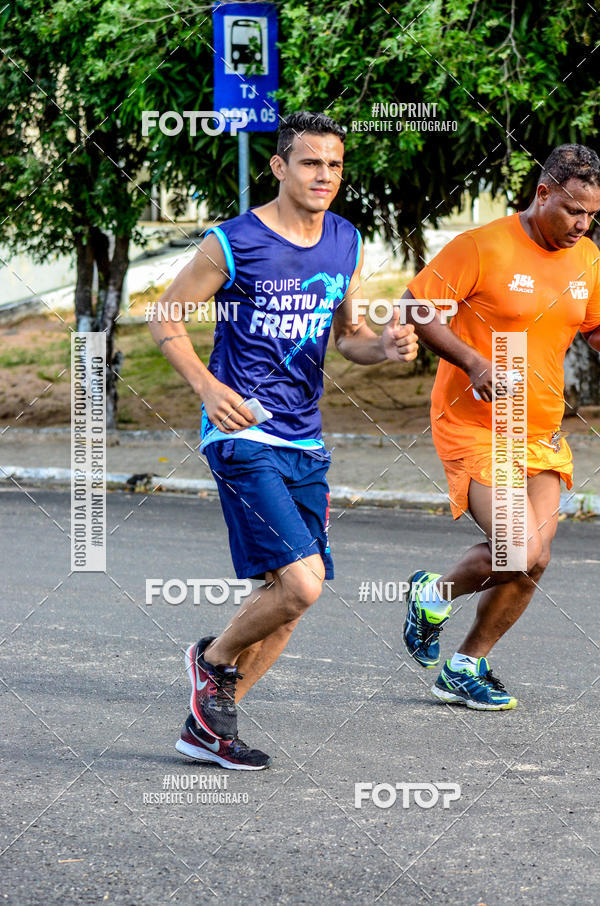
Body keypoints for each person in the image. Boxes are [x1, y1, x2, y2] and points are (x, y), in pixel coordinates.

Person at [148, 111, 418, 768]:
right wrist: (208, 389)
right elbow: (165, 316)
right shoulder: (233, 241)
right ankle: (211, 661)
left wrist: (380, 348)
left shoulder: (347, 241)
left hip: (306, 439)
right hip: (242, 434)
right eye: (310, 162)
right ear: (279, 167)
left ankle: (208, 727)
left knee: (292, 600)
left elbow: (348, 336)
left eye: (334, 164)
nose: (324, 175)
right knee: (301, 584)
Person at [402, 143, 600, 710]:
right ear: (542, 194)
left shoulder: (586, 257)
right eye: (572, 211)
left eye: (591, 216)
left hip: (540, 429)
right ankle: (431, 593)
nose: (581, 225)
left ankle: (465, 665)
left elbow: (594, 329)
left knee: (535, 559)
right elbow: (416, 306)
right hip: (475, 423)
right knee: (515, 548)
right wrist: (473, 361)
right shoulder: (482, 246)